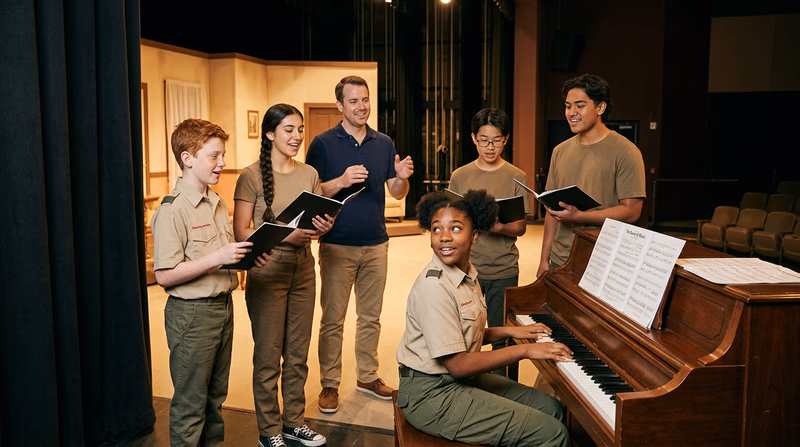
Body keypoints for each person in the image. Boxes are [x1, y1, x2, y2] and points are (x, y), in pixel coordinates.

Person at [395, 190, 573, 447]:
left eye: (456, 228)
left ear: (474, 235)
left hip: (458, 379)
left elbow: (462, 336)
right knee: (553, 434)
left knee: (551, 407)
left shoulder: (467, 274)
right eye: (436, 229)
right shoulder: (434, 286)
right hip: (432, 394)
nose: (444, 237)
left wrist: (511, 332)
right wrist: (527, 351)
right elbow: (458, 363)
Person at [151, 118, 270, 447]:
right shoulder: (172, 210)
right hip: (192, 316)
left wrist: (246, 256)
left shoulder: (216, 202)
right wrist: (219, 256)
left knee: (215, 400)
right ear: (187, 158)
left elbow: (223, 255)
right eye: (214, 156)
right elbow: (165, 275)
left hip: (223, 308)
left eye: (224, 155)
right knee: (191, 407)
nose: (223, 163)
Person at [305, 75, 414, 413]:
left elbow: (395, 192)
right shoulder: (322, 143)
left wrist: (401, 178)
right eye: (353, 101)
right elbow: (311, 191)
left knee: (371, 317)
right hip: (337, 245)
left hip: (376, 244)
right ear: (340, 105)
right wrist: (340, 181)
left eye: (365, 100)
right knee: (333, 319)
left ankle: (367, 376)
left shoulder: (384, 143)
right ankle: (329, 384)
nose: (361, 106)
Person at [233, 105, 334, 447]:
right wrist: (285, 234)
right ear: (270, 134)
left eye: (300, 130)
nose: (297, 136)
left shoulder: (309, 173)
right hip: (268, 267)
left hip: (304, 267)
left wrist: (323, 226)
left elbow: (320, 218)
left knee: (297, 353)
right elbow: (241, 232)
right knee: (268, 355)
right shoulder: (250, 176)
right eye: (289, 130)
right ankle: (269, 431)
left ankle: (294, 423)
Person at [537, 74, 646, 278]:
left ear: (600, 108)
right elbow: (551, 212)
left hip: (605, 262)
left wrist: (579, 216)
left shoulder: (626, 151)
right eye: (568, 106)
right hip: (561, 260)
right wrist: (544, 259)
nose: (572, 113)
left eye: (580, 105)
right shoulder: (559, 151)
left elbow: (632, 212)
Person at [447, 108, 531, 364]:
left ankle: (499, 392)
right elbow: (449, 224)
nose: (490, 147)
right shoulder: (460, 176)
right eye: (484, 140)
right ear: (474, 138)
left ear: (505, 139)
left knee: (501, 336)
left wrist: (499, 228)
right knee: (463, 334)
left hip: (503, 269)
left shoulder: (517, 176)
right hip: (464, 270)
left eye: (496, 140)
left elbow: (521, 227)